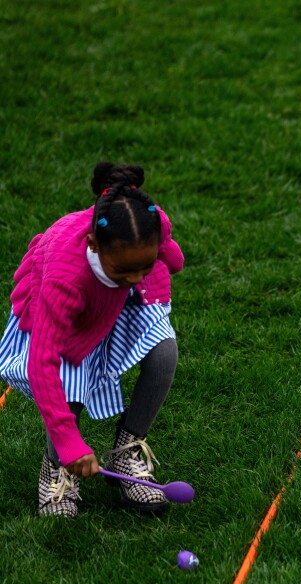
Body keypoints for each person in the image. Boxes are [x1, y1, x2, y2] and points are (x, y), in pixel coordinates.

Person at [0, 162, 184, 517]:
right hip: (75, 314)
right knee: (70, 381)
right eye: (124, 270)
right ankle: (57, 465)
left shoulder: (147, 223)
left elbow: (163, 252)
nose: (134, 277)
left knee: (164, 353)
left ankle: (127, 448)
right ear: (93, 245)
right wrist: (70, 443)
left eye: (143, 268)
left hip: (117, 302)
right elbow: (43, 363)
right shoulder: (65, 279)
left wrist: (162, 258)